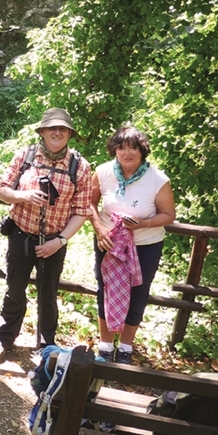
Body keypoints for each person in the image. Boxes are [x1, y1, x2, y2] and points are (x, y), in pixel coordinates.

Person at [0, 108, 94, 362]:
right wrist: (23, 196)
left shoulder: (80, 167)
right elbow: (1, 190)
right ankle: (4, 339)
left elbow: (81, 211)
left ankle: (47, 346)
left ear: (70, 133)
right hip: (20, 235)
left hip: (54, 241)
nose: (57, 133)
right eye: (52, 128)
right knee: (14, 290)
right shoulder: (25, 157)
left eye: (63, 129)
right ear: (42, 132)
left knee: (48, 295)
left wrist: (59, 241)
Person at [91, 125, 175, 364]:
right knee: (105, 289)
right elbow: (89, 204)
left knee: (138, 293)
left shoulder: (157, 180)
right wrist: (99, 229)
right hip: (108, 242)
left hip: (145, 245)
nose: (127, 153)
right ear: (114, 150)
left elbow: (168, 215)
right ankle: (105, 346)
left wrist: (143, 223)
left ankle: (126, 348)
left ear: (142, 151)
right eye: (121, 147)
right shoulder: (104, 172)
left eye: (133, 147)